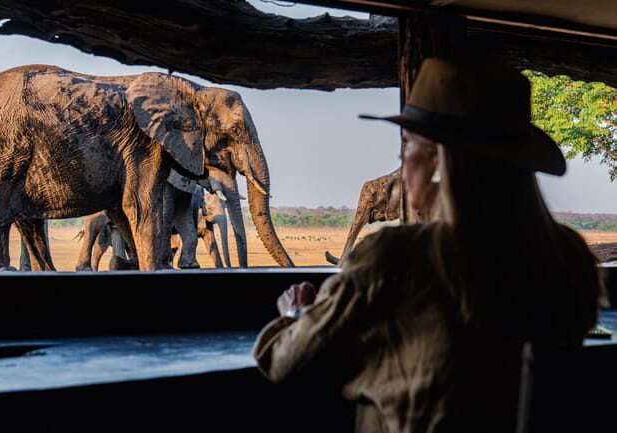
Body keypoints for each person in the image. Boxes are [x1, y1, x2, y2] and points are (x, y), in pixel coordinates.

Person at [253, 57, 608, 433]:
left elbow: (286, 360)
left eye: (406, 145)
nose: (400, 160)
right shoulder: (569, 257)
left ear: (439, 162)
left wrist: (294, 316)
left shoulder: (396, 258)